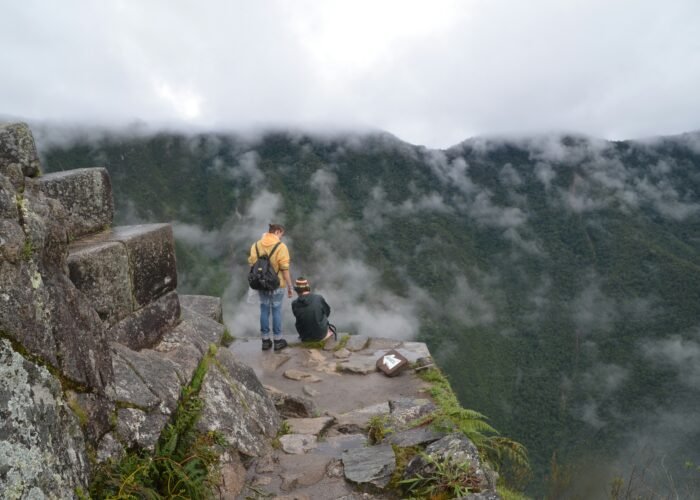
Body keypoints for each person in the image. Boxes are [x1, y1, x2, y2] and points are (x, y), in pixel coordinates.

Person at [248, 223, 293, 351]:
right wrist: (290, 287)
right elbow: (285, 269)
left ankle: (265, 341)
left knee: (264, 310)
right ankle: (278, 341)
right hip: (277, 284)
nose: (281, 237)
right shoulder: (281, 247)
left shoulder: (256, 245)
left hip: (261, 284)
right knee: (276, 310)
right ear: (277, 232)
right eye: (281, 234)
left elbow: (252, 264)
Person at [291, 277, 336, 342]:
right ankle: (325, 334)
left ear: (297, 290)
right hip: (320, 335)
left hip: (304, 336)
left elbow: (298, 317)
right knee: (323, 312)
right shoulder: (318, 298)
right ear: (307, 288)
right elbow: (327, 312)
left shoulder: (294, 303)